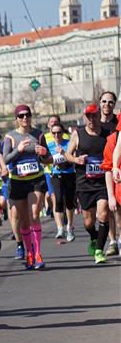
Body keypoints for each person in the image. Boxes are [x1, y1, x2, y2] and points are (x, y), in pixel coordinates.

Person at [2, 105, 51, 270]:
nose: (25, 118)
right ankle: (29, 253)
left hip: (36, 180)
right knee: (23, 221)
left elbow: (48, 158)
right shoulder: (10, 136)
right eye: (21, 116)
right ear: (16, 119)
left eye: (27, 115)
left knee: (34, 215)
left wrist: (44, 153)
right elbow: (5, 159)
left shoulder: (39, 134)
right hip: (17, 181)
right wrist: (19, 150)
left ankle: (37, 254)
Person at [65, 104, 110, 264]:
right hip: (84, 183)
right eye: (88, 116)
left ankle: (99, 251)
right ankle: (94, 236)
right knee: (88, 222)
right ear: (85, 117)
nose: (91, 119)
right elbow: (67, 154)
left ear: (99, 116)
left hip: (103, 182)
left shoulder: (107, 134)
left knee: (103, 214)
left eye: (94, 116)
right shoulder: (78, 134)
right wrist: (76, 159)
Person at [45, 119, 76, 241]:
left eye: (59, 132)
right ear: (51, 133)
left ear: (63, 132)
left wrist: (63, 154)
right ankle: (60, 228)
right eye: (54, 133)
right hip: (55, 175)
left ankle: (70, 227)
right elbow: (44, 160)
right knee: (58, 200)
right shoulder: (49, 146)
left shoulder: (69, 143)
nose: (57, 135)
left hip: (69, 174)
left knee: (69, 202)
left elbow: (73, 157)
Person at [99, 91, 119, 255]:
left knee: (114, 207)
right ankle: (113, 241)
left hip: (114, 168)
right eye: (104, 101)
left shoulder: (118, 122)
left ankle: (116, 241)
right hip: (100, 170)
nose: (107, 104)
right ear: (100, 102)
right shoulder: (93, 122)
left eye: (110, 102)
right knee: (108, 208)